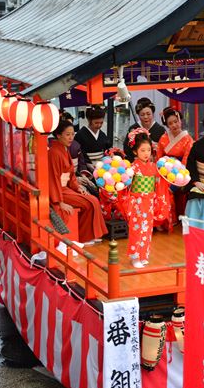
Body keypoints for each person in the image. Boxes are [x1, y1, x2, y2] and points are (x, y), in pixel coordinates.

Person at [118, 129, 171, 268]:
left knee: (147, 229)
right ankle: (135, 256)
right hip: (136, 202)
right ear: (135, 152)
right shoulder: (133, 168)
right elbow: (125, 185)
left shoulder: (154, 167)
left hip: (149, 202)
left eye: (148, 150)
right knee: (136, 229)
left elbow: (160, 182)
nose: (146, 153)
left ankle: (144, 254)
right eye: (142, 150)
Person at [49, 120, 107, 244]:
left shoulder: (63, 149)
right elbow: (53, 178)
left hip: (65, 188)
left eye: (72, 134)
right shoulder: (54, 152)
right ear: (58, 135)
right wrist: (59, 202)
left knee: (92, 199)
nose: (71, 138)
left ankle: (89, 234)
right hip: (59, 191)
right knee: (90, 202)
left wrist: (78, 187)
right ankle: (85, 236)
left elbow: (71, 175)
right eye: (67, 135)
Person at [157, 107, 194, 225]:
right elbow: (159, 156)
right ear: (167, 125)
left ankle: (169, 218)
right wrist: (160, 171)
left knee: (167, 190)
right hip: (164, 169)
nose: (174, 125)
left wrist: (177, 173)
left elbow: (186, 160)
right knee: (158, 187)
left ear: (180, 121)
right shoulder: (163, 138)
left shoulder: (188, 139)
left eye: (176, 121)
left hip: (179, 172)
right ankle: (160, 218)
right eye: (170, 123)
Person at [75, 106, 111, 173]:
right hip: (87, 167)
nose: (99, 125)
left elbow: (107, 150)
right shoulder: (80, 135)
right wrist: (88, 164)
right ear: (89, 120)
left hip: (102, 168)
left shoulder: (102, 134)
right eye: (96, 123)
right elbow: (80, 153)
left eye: (101, 123)